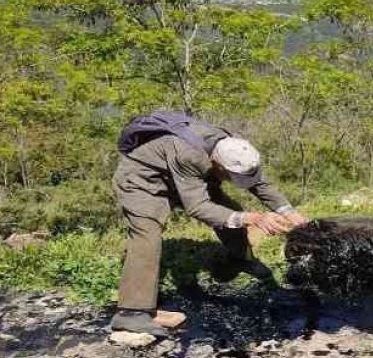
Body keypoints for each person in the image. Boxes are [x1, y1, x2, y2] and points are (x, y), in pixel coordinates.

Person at [111, 112, 308, 337]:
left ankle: (239, 259)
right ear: (218, 164)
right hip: (143, 180)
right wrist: (252, 218)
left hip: (188, 176)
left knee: (228, 209)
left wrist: (290, 213)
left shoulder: (234, 147)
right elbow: (198, 207)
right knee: (147, 232)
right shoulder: (189, 155)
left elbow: (258, 182)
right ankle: (132, 313)